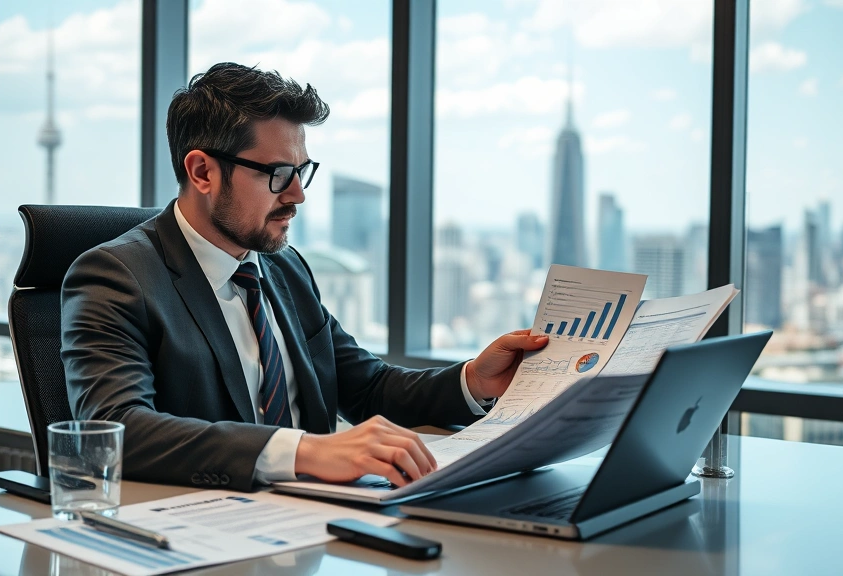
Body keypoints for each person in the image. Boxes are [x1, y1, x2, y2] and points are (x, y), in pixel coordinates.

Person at [60, 62, 549, 492]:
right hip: (196, 535)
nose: (297, 195)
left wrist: (473, 381)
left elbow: (367, 388)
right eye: (277, 174)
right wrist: (303, 452)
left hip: (314, 522)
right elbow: (118, 428)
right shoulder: (115, 276)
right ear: (203, 172)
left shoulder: (282, 266)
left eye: (302, 171)